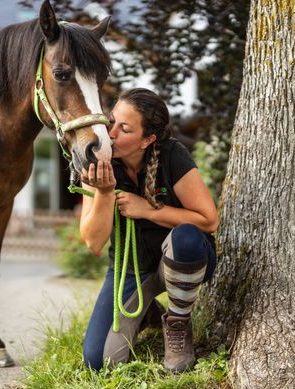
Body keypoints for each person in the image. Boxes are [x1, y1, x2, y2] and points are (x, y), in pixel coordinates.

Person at [79, 88, 218, 372]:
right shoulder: (95, 160)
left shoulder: (172, 155)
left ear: (147, 139)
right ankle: (146, 311)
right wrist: (105, 194)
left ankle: (178, 324)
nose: (112, 133)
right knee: (98, 362)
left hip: (183, 259)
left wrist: (147, 210)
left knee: (188, 237)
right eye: (111, 122)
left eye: (124, 128)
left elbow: (208, 220)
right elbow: (93, 242)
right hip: (129, 270)